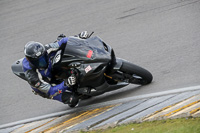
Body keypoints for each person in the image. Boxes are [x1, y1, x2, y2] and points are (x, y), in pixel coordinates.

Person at [22, 31, 89, 107]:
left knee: (66, 59)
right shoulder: (33, 77)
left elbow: (62, 42)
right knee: (74, 99)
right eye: (38, 61)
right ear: (31, 61)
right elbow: (50, 91)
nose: (42, 62)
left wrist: (78, 37)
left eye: (43, 57)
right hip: (47, 86)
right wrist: (66, 84)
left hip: (51, 71)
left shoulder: (46, 49)